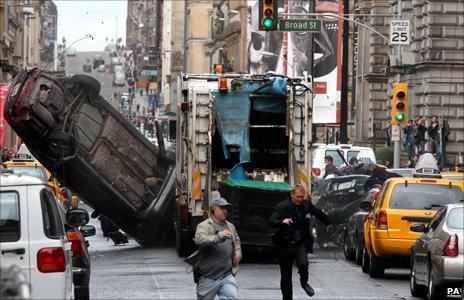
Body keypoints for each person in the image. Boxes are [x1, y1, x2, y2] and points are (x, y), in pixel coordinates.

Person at [268, 184, 331, 299]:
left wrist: (328, 221)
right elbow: (271, 221)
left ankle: (304, 282)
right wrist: (282, 221)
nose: (300, 199)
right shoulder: (282, 206)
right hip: (285, 244)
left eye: (302, 197)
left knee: (303, 264)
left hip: (300, 243)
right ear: (292, 195)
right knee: (286, 277)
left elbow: (317, 212)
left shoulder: (306, 204)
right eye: (298, 197)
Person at [186, 197, 241, 300]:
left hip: (227, 275)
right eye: (221, 208)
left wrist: (238, 253)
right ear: (212, 210)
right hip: (208, 277)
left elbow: (236, 241)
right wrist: (219, 236)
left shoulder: (230, 226)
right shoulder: (204, 226)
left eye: (226, 208)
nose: (225, 210)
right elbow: (200, 240)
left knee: (232, 297)